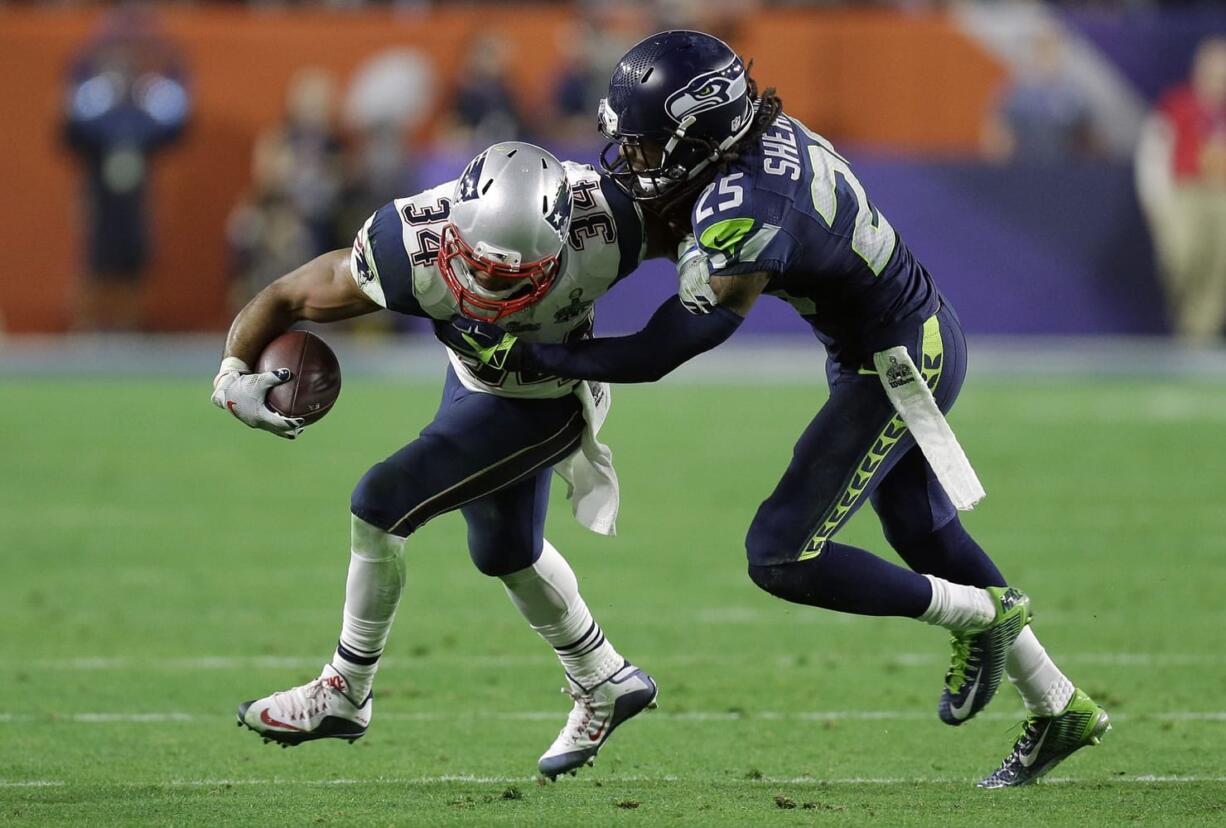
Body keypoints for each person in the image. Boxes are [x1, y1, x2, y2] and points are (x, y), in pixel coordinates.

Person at [436, 31, 1110, 789]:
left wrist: (544, 359)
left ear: (706, 132)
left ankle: (986, 616)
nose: (637, 160)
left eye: (653, 145)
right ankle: (1058, 705)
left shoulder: (745, 202)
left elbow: (674, 342)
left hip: (894, 362)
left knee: (782, 554)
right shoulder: (747, 145)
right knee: (922, 530)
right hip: (888, 338)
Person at [213, 143, 663, 779]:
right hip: (473, 382)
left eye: (514, 278)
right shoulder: (407, 246)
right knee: (506, 551)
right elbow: (286, 296)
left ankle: (345, 690)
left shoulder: (609, 222)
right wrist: (232, 371)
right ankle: (606, 680)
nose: (490, 289)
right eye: (480, 268)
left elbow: (712, 246)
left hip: (552, 398)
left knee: (379, 503)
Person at [1135, 36, 1226, 342]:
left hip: (1222, 194)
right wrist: (1154, 197)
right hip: (1183, 192)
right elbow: (1152, 152)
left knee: (1220, 264)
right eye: (1213, 70)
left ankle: (1198, 336)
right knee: (1181, 256)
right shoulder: (1177, 104)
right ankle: (1183, 315)